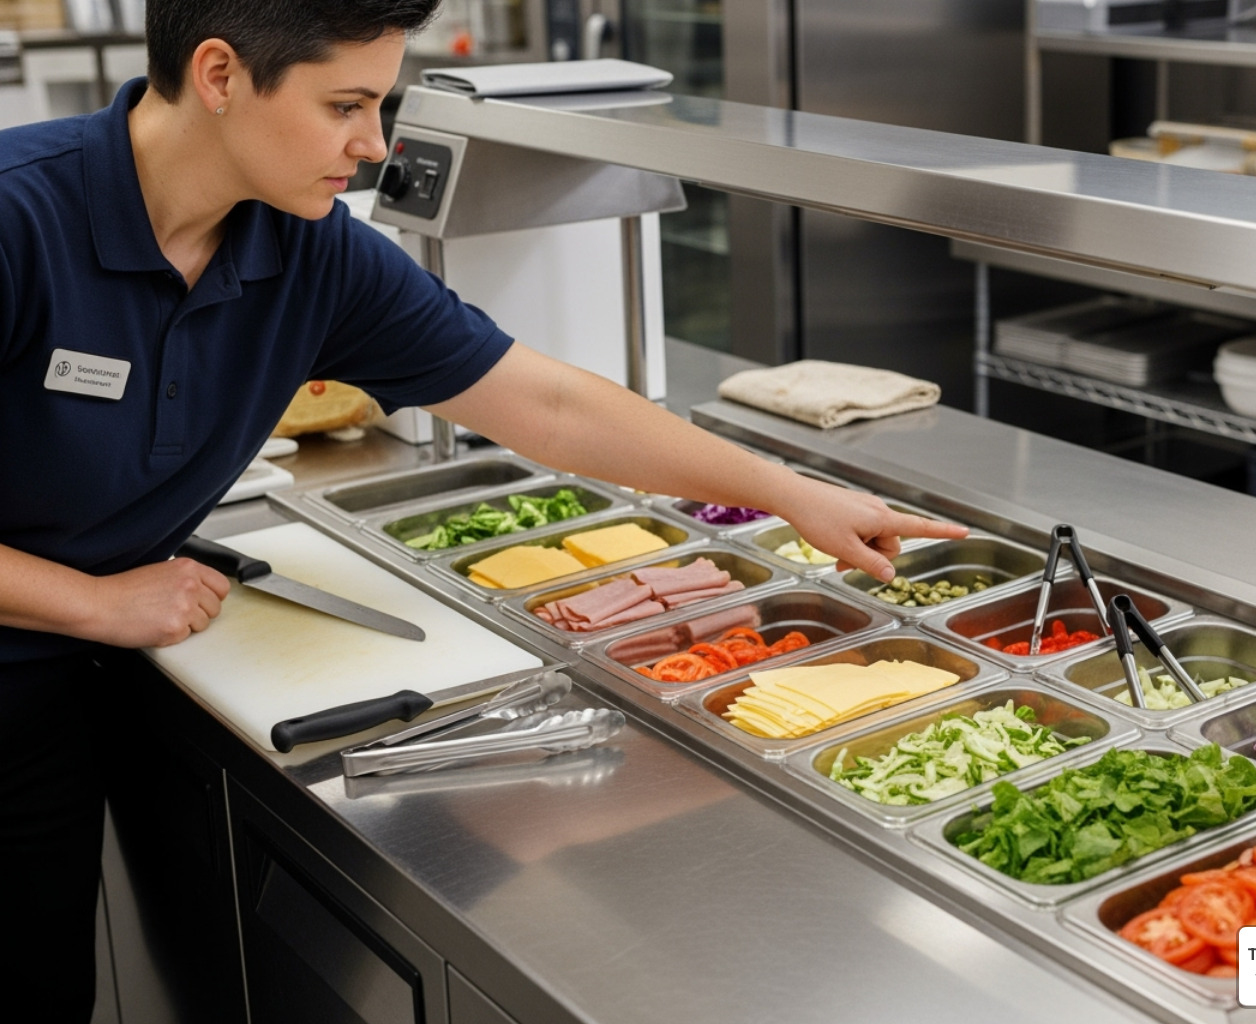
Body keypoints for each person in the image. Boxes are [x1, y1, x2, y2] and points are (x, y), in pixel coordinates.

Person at [0, 0, 966, 1018]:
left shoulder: (309, 249)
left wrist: (786, 489)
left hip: (72, 689)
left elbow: (542, 401)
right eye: (347, 105)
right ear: (221, 75)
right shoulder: (21, 216)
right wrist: (95, 603)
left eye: (380, 104)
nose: (373, 145)